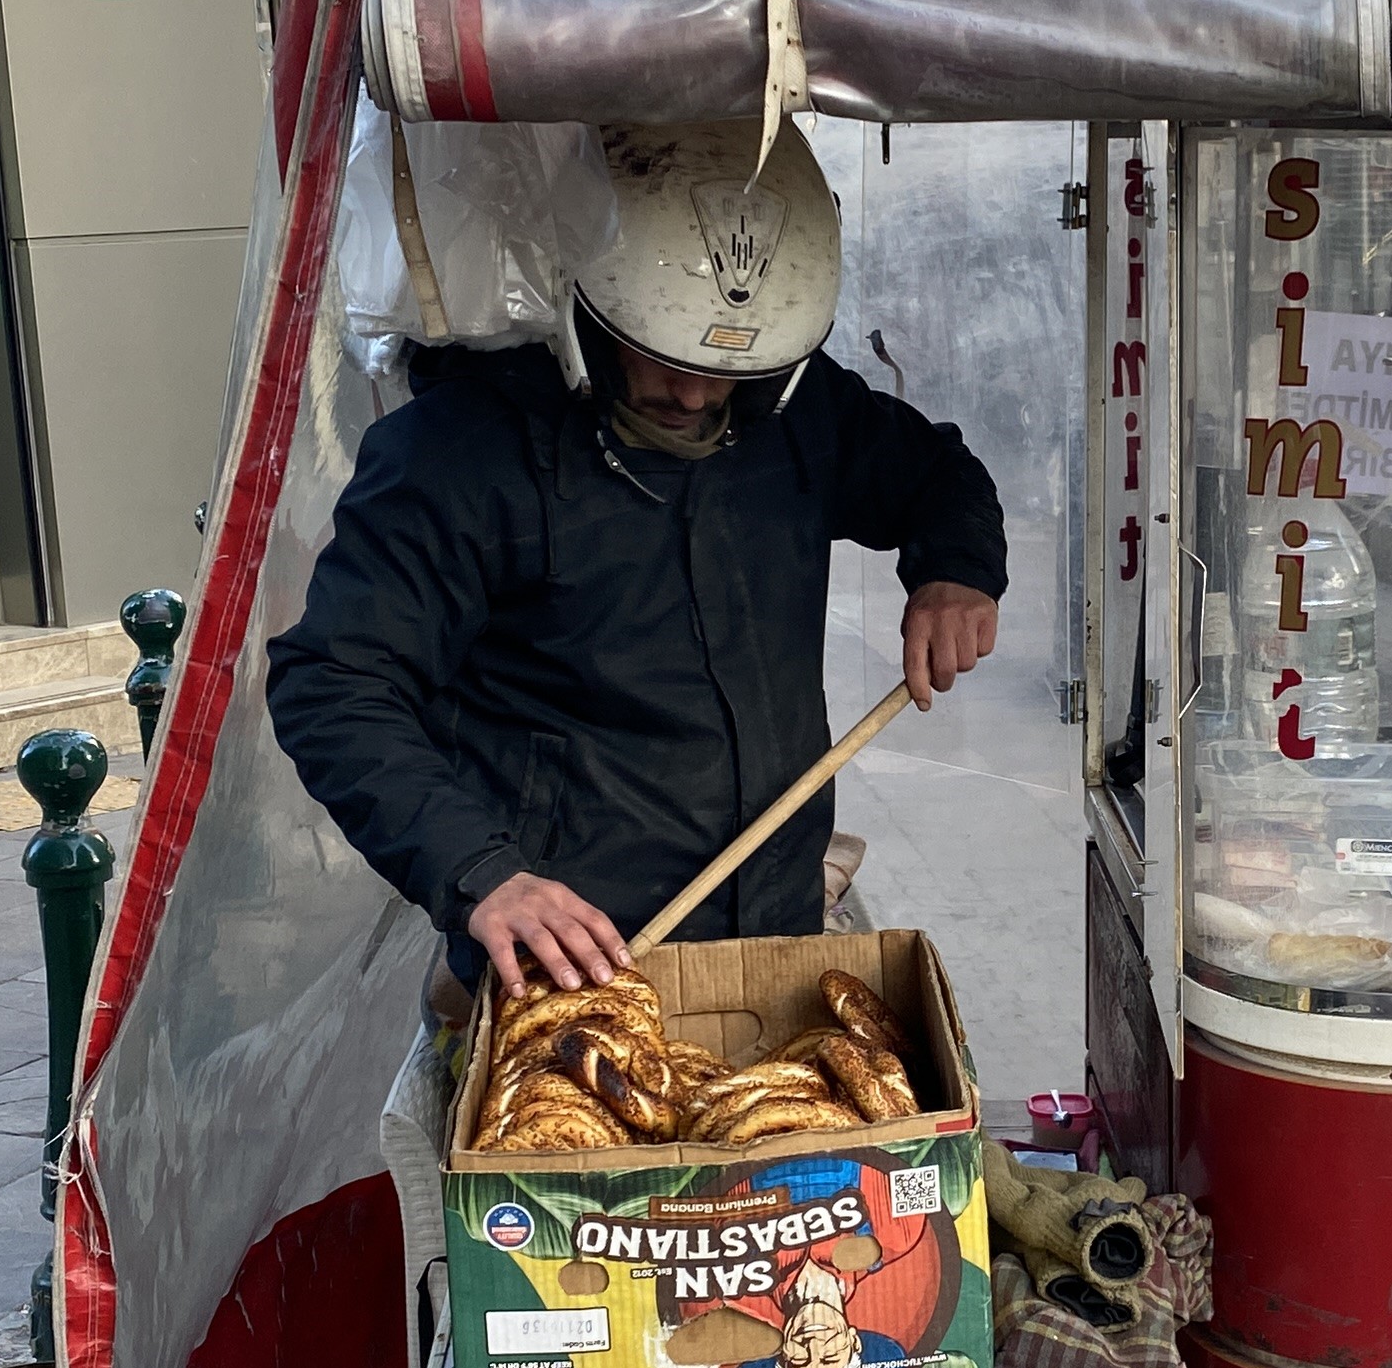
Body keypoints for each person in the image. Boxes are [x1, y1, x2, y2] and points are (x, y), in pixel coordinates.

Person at [267, 119, 1004, 999]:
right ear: (587, 308)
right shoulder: (460, 455)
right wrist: (478, 871)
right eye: (660, 360)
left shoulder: (796, 413)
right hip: (568, 966)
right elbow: (334, 681)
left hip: (770, 935)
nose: (694, 394)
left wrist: (955, 569)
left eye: (723, 372)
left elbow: (937, 474)